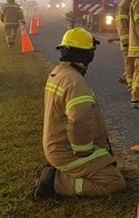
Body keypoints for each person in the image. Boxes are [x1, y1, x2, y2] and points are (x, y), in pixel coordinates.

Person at [33, 28, 126, 199]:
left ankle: (62, 173)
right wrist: (84, 151)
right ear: (86, 55)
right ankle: (56, 182)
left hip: (58, 147)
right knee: (115, 182)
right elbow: (79, 121)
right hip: (69, 151)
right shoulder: (76, 82)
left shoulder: (59, 73)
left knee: (110, 166)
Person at [115, 0, 136, 88]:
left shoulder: (138, 2)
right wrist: (126, 42)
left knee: (137, 64)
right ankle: (131, 87)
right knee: (130, 64)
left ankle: (125, 78)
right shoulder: (124, 5)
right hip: (129, 42)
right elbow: (122, 25)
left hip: (136, 41)